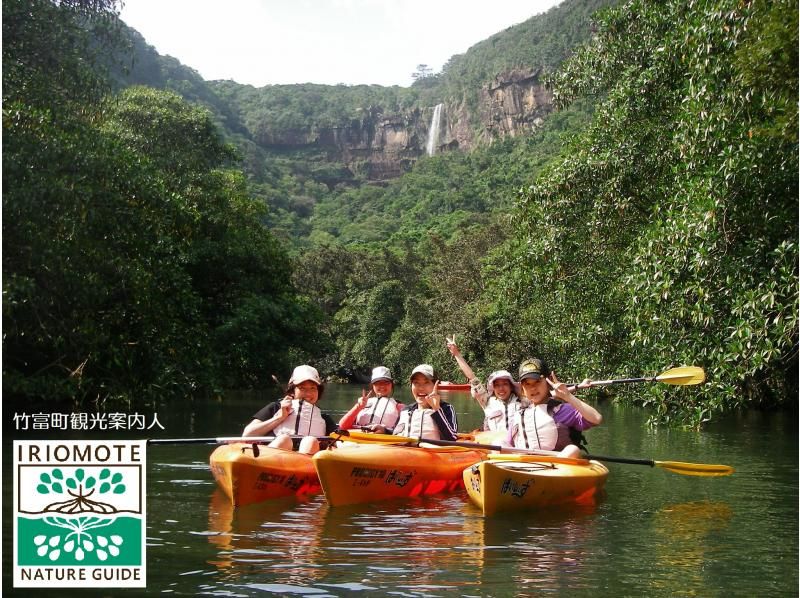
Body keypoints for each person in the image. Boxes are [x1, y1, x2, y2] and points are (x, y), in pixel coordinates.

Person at [508, 358, 603, 459]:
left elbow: (597, 419)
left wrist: (568, 397)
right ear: (522, 388)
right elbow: (507, 442)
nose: (533, 388)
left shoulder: (563, 410)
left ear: (549, 382)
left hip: (557, 466)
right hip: (523, 465)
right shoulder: (519, 414)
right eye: (527, 384)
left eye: (537, 381)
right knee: (498, 443)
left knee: (573, 450)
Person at [242, 365, 337, 455]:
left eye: (313, 388)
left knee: (310, 441)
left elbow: (341, 442)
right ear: (293, 390)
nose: (308, 393)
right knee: (284, 440)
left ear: (318, 391)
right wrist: (279, 418)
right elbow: (247, 435)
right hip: (273, 458)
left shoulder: (324, 418)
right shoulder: (275, 408)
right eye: (302, 388)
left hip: (307, 461)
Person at [446, 337, 522, 433]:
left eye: (505, 384)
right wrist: (456, 354)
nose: (501, 388)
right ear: (493, 388)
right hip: (495, 444)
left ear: (511, 386)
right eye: (497, 385)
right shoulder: (487, 401)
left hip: (517, 445)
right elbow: (472, 377)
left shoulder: (522, 401)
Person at [370, 364, 458, 441]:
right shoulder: (406, 410)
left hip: (432, 454)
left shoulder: (446, 408)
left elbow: (452, 438)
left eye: (426, 382)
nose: (420, 387)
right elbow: (396, 432)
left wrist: (436, 409)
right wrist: (384, 430)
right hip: (404, 453)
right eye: (416, 383)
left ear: (436, 386)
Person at [338, 366, 404, 431]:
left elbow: (404, 431)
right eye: (377, 383)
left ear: (391, 385)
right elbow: (342, 426)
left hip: (384, 439)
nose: (382, 386)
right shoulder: (362, 403)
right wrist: (358, 407)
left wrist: (385, 430)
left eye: (386, 382)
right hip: (359, 438)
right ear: (373, 386)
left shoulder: (399, 406)